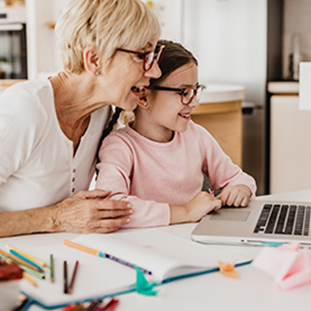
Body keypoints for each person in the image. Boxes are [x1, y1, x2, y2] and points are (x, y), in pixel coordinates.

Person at [0, 0, 163, 237]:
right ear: (94, 60)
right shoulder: (25, 108)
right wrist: (56, 218)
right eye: (142, 56)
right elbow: (63, 218)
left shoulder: (103, 113)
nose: (155, 71)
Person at [96, 40, 257, 228]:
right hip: (145, 245)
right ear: (143, 96)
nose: (194, 102)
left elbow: (238, 177)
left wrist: (241, 189)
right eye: (184, 92)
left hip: (192, 238)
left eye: (195, 90)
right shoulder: (120, 146)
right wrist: (186, 212)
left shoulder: (196, 136)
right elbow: (111, 208)